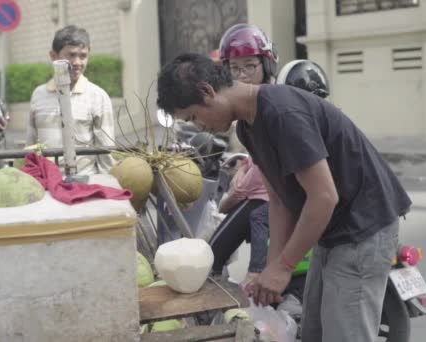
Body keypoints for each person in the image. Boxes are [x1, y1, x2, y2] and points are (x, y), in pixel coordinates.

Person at [156, 52, 411, 342]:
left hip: (363, 228)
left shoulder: (282, 112)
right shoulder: (248, 127)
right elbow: (278, 200)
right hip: (334, 231)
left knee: (344, 334)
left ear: (207, 91)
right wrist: (272, 267)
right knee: (314, 331)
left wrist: (284, 266)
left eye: (194, 117)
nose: (200, 126)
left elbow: (324, 196)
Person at [208, 24, 277, 287]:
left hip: (265, 200)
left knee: (213, 250)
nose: (243, 75)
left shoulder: (270, 109)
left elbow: (261, 178)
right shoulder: (246, 114)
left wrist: (230, 199)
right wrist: (242, 167)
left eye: (250, 66)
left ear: (266, 66)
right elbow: (255, 160)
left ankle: (254, 275)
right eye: (235, 69)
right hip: (269, 197)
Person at [26, 25, 115, 175]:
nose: (77, 62)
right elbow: (31, 146)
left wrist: (107, 187)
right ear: (53, 56)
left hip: (85, 184)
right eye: (71, 55)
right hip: (46, 184)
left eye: (83, 56)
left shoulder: (98, 97)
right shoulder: (38, 95)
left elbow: (106, 154)